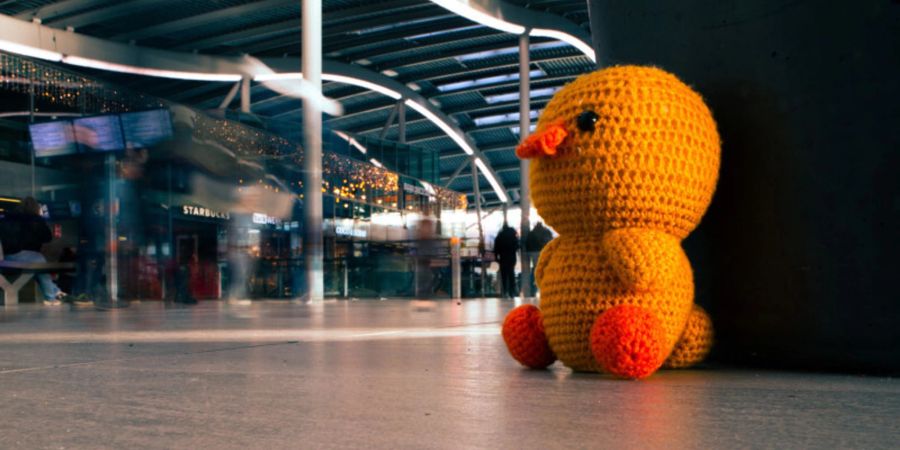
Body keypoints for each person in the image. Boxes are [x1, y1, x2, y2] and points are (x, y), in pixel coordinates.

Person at [0, 197, 66, 305]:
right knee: (39, 261)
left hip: (5, 256)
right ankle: (51, 297)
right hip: (19, 256)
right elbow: (47, 237)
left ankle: (55, 290)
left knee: (37, 265)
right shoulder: (35, 219)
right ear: (36, 208)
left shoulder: (8, 218)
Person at [525, 221, 554, 292]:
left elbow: (527, 243)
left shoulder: (532, 233)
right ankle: (543, 285)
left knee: (535, 268)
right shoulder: (546, 232)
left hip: (533, 252)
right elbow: (550, 241)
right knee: (544, 268)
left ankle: (534, 286)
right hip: (543, 251)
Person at [493, 223, 519, 298]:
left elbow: (496, 247)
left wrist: (496, 257)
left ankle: (505, 291)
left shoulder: (500, 236)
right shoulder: (513, 235)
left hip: (503, 257)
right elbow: (517, 246)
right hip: (512, 257)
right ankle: (512, 292)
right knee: (511, 274)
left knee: (504, 275)